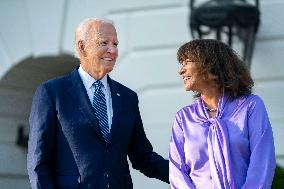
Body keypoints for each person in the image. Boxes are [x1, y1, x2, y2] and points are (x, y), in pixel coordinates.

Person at [27, 18, 168, 189]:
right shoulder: (52, 92)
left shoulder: (128, 97)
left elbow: (143, 157)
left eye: (115, 44)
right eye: (104, 43)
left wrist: (191, 175)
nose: (113, 50)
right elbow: (38, 162)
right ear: (82, 46)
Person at [169, 39, 275, 189]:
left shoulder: (251, 106)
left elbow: (262, 162)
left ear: (212, 67)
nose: (181, 70)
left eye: (188, 62)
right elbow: (177, 173)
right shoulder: (183, 118)